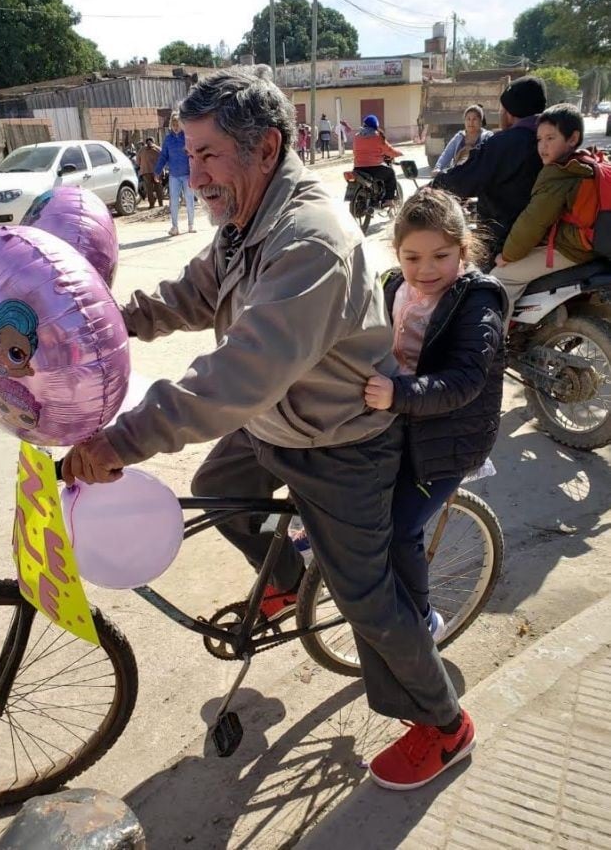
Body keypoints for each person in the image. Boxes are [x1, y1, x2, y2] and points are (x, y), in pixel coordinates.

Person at [62, 67, 475, 792]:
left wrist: (118, 441)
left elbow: (235, 378)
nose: (196, 172)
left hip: (340, 443)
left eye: (210, 153)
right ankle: (286, 580)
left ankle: (443, 724)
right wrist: (104, 325)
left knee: (367, 599)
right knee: (218, 488)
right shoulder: (245, 217)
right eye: (188, 154)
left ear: (266, 148)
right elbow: (191, 294)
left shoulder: (307, 237)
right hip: (275, 424)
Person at [364, 189, 506, 650]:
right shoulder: (392, 286)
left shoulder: (477, 302)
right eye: (412, 257)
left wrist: (398, 393)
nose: (426, 270)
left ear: (463, 251)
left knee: (401, 527)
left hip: (448, 442)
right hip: (398, 420)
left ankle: (423, 621)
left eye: (441, 256)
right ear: (396, 254)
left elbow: (465, 380)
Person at [493, 103, 595, 329]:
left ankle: (492, 349)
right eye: (539, 140)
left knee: (499, 279)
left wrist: (507, 256)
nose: (543, 146)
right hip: (589, 246)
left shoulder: (559, 173)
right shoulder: (586, 162)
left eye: (550, 138)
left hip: (572, 249)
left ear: (572, 138)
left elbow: (532, 223)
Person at [434, 76, 547, 260]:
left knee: (473, 277)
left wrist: (433, 187)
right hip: (540, 235)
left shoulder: (503, 143)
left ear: (509, 112)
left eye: (501, 108)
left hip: (503, 238)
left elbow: (464, 179)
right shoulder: (550, 138)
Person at [155, 112, 196, 236]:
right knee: (173, 202)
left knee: (189, 200)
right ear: (170, 126)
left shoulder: (187, 137)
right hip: (174, 176)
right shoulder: (168, 140)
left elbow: (194, 154)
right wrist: (157, 171)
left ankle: (191, 225)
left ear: (181, 125)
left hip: (187, 174)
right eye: (173, 124)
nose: (175, 126)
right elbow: (163, 156)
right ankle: (175, 227)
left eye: (177, 124)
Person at [352, 114, 401, 206]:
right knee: (390, 173)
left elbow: (355, 151)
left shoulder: (356, 136)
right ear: (376, 125)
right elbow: (389, 150)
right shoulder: (378, 136)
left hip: (358, 168)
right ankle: (389, 200)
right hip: (374, 169)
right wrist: (399, 153)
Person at [431, 105, 492, 175]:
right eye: (468, 119)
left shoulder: (487, 136)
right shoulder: (459, 137)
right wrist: (438, 168)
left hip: (479, 176)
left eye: (474, 119)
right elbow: (447, 153)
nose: (471, 122)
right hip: (458, 175)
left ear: (481, 121)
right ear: (464, 121)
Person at [136, 137, 164, 209]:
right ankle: (160, 203)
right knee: (158, 187)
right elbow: (164, 159)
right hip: (157, 172)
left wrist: (141, 165)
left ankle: (151, 205)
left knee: (149, 189)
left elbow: (138, 162)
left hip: (146, 172)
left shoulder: (141, 150)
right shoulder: (158, 149)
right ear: (154, 141)